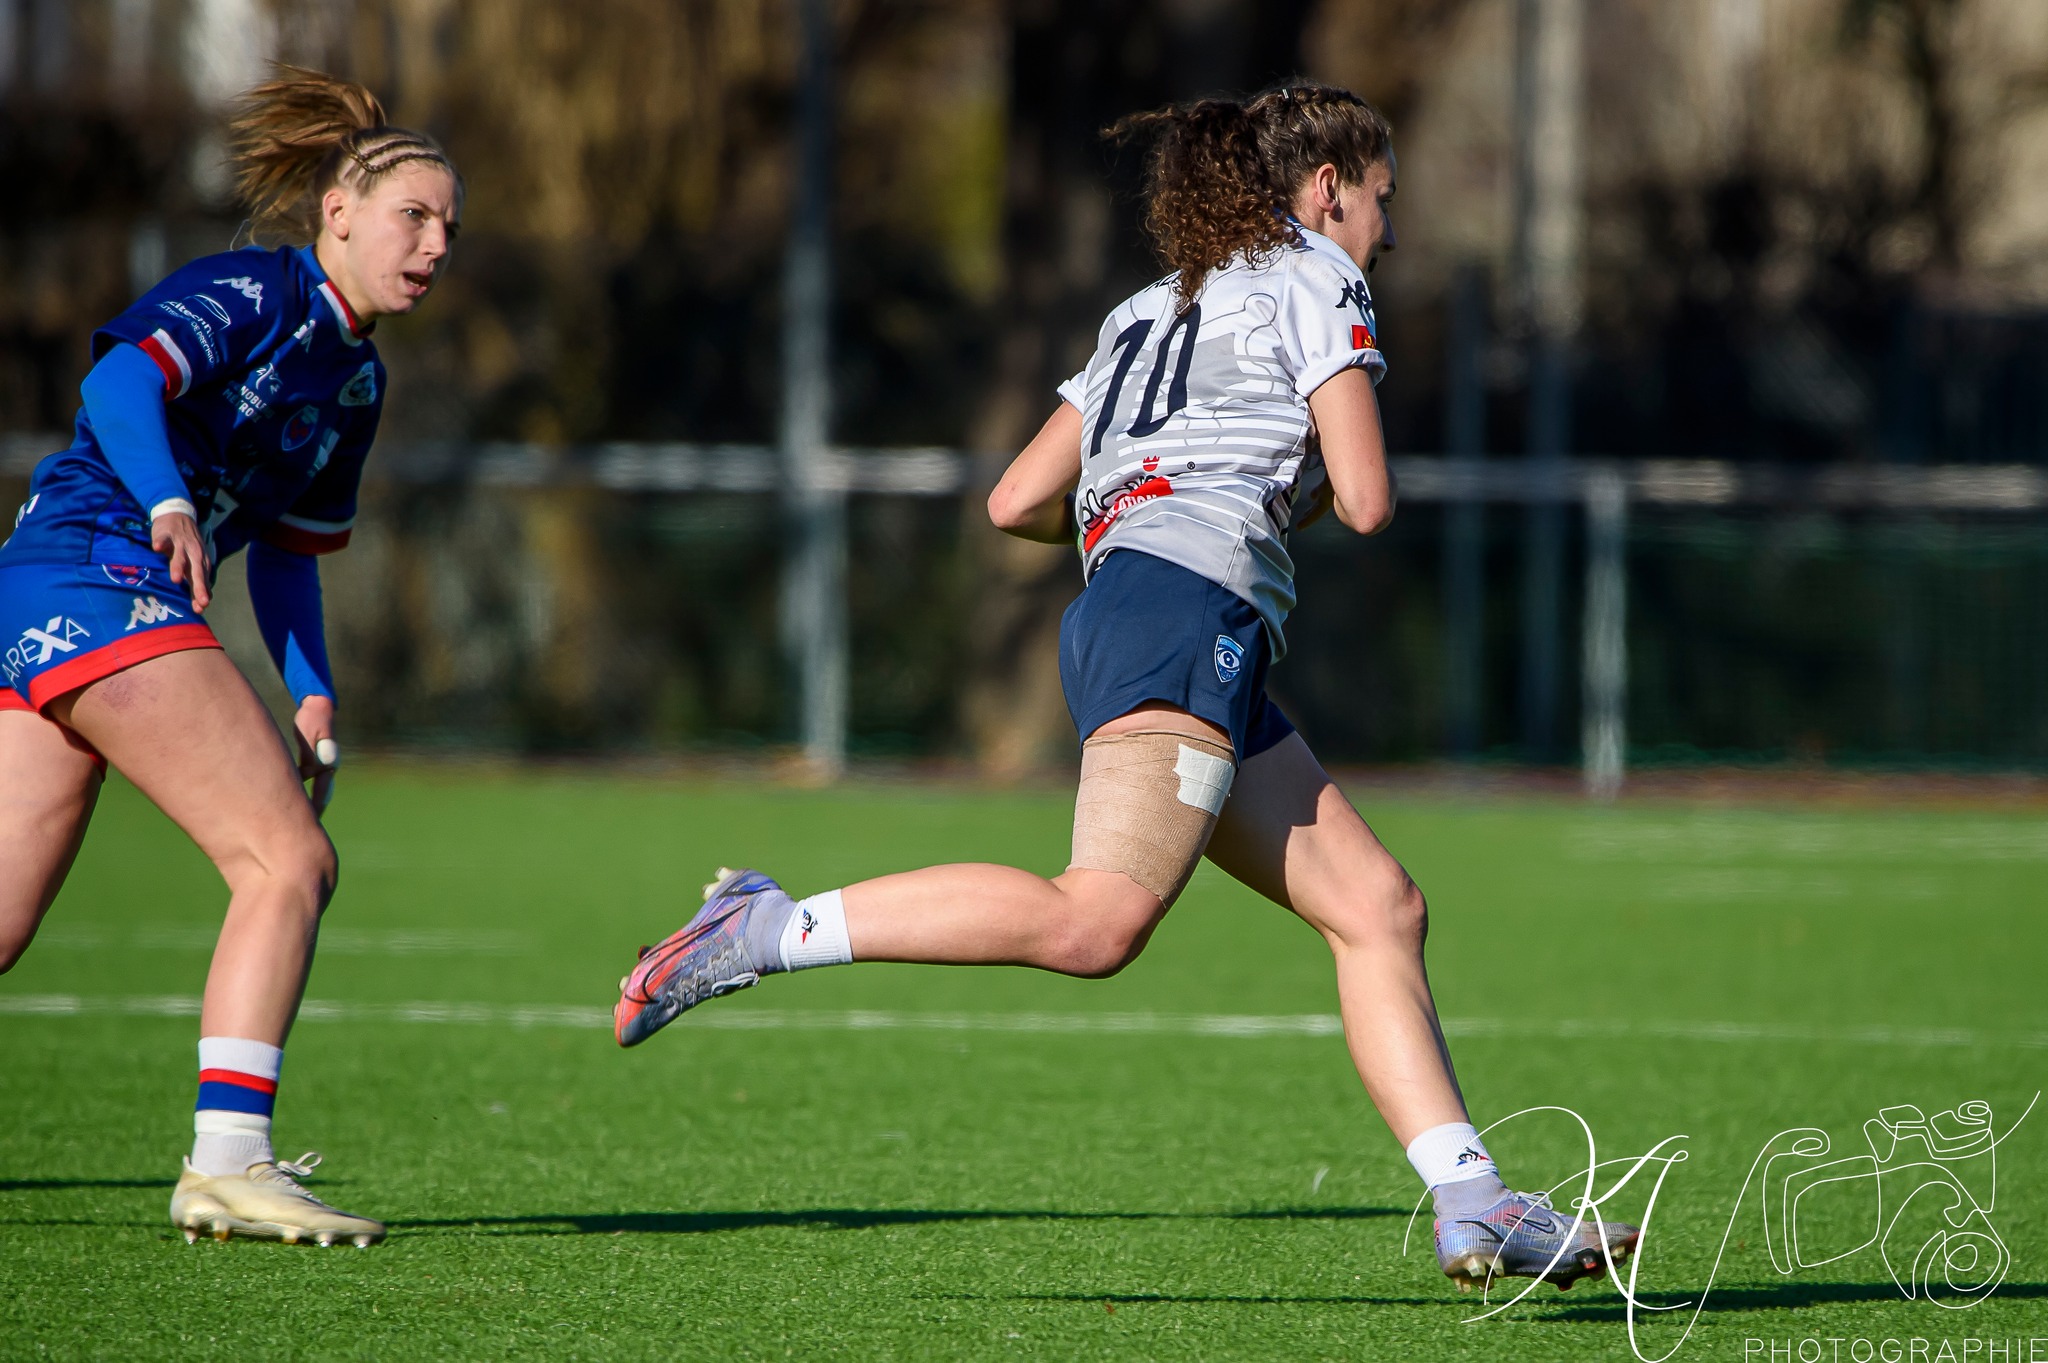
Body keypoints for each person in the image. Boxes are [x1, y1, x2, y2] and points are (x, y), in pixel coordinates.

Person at [614, 83, 1636, 1292]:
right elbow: (1363, 499)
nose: (1388, 231)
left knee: (1376, 905)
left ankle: (1474, 1203)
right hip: (1186, 613)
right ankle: (764, 927)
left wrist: (1144, 500)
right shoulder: (1322, 276)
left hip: (1142, 607)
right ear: (1324, 193)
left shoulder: (1152, 303)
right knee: (1094, 922)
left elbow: (1013, 501)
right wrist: (1273, 490)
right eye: (1381, 199)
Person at [0, 67, 461, 1248]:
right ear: (337, 215)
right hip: (97, 571)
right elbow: (117, 379)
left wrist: (312, 692)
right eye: (415, 215)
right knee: (285, 860)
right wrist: (165, 504)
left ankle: (230, 1162)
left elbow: (295, 553)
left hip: (52, 594)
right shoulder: (255, 288)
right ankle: (229, 1162)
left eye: (450, 225)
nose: (436, 243)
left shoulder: (356, 379)